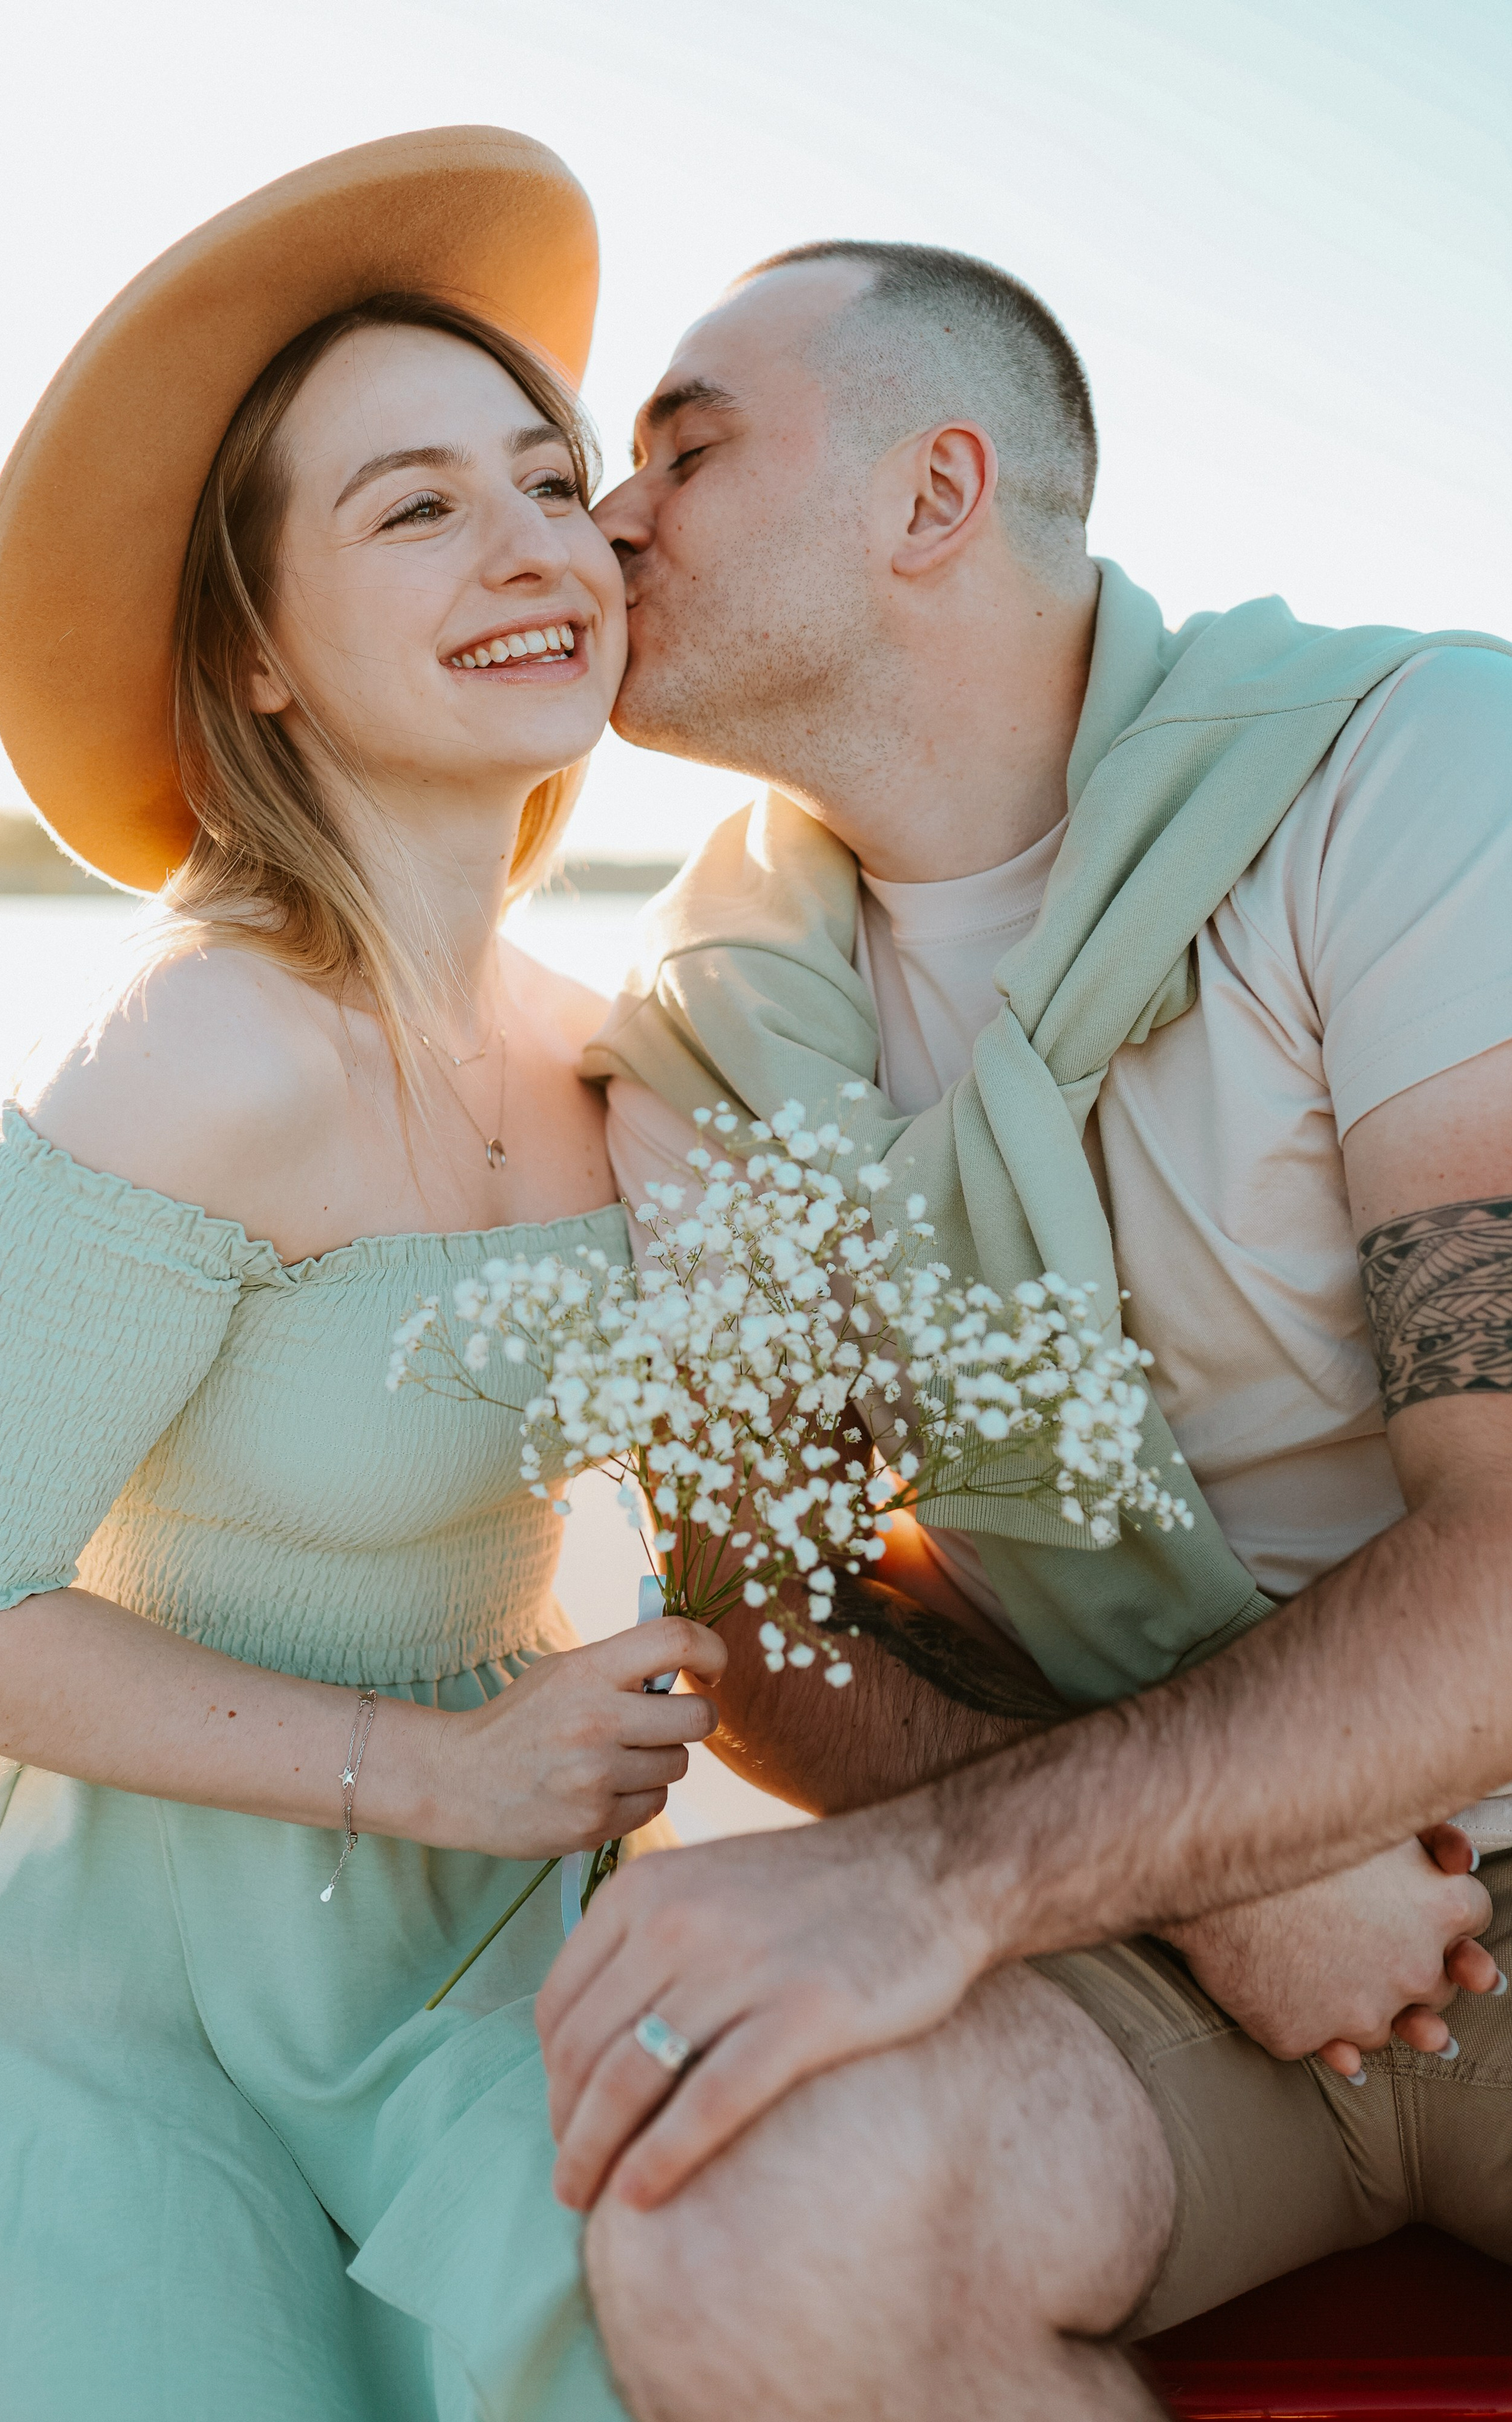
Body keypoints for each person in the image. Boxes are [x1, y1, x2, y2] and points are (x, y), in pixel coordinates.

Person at [535, 241, 1512, 2420]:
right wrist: (1193, 1879)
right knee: (735, 2226)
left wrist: (954, 1880)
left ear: (934, 494)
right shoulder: (713, 1026)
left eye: (683, 450)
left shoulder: (1413, 776)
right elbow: (766, 1619)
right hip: (1151, 1938)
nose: (606, 520)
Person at [0, 130, 723, 2421]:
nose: (532, 541)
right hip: (143, 1980)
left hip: (480, 1957)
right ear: (257, 654)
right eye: (414, 507)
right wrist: (425, 1776)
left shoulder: (623, 1055)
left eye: (546, 478)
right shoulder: (201, 1051)